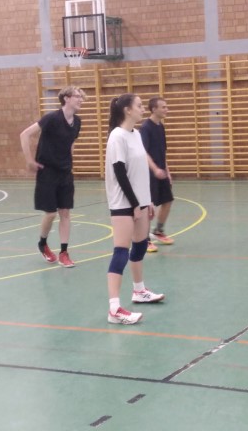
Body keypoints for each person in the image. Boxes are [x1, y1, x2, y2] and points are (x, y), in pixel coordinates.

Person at [105, 93, 165, 325]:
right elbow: (120, 172)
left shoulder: (136, 134)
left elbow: (140, 171)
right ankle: (114, 309)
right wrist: (133, 204)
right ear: (127, 110)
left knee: (139, 246)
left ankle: (139, 291)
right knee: (121, 252)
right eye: (139, 106)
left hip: (140, 202)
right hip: (123, 203)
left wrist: (146, 201)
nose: (142, 109)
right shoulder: (117, 136)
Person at [20, 85, 84, 268]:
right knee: (51, 213)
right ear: (66, 98)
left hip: (65, 173)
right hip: (47, 171)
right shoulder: (52, 118)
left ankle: (64, 252)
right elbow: (24, 135)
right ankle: (43, 243)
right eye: (77, 96)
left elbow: (71, 143)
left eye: (81, 97)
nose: (81, 100)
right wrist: (29, 161)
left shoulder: (77, 122)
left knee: (65, 212)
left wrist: (69, 160)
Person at [140, 97, 175, 253]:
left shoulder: (161, 127)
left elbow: (163, 152)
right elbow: (143, 152)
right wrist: (154, 169)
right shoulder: (145, 128)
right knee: (149, 207)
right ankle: (144, 239)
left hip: (161, 171)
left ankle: (158, 231)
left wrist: (167, 171)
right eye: (163, 107)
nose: (166, 109)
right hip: (149, 172)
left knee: (167, 201)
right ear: (154, 109)